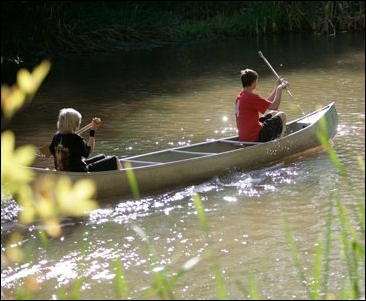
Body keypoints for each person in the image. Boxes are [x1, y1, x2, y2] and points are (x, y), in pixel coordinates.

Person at [49, 108, 122, 172]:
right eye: (78, 121)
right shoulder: (76, 138)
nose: (79, 123)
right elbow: (89, 151)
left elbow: (51, 150)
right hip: (80, 172)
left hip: (63, 170)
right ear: (74, 124)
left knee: (102, 156)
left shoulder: (56, 137)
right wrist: (93, 130)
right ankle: (122, 179)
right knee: (114, 159)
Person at [235, 68, 289, 142]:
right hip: (255, 137)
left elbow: (266, 103)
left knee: (273, 113)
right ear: (253, 82)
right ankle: (280, 142)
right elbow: (275, 106)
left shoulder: (240, 96)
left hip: (244, 136)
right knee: (283, 115)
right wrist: (279, 89)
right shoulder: (251, 97)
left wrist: (276, 87)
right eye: (257, 81)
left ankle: (276, 135)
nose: (257, 83)